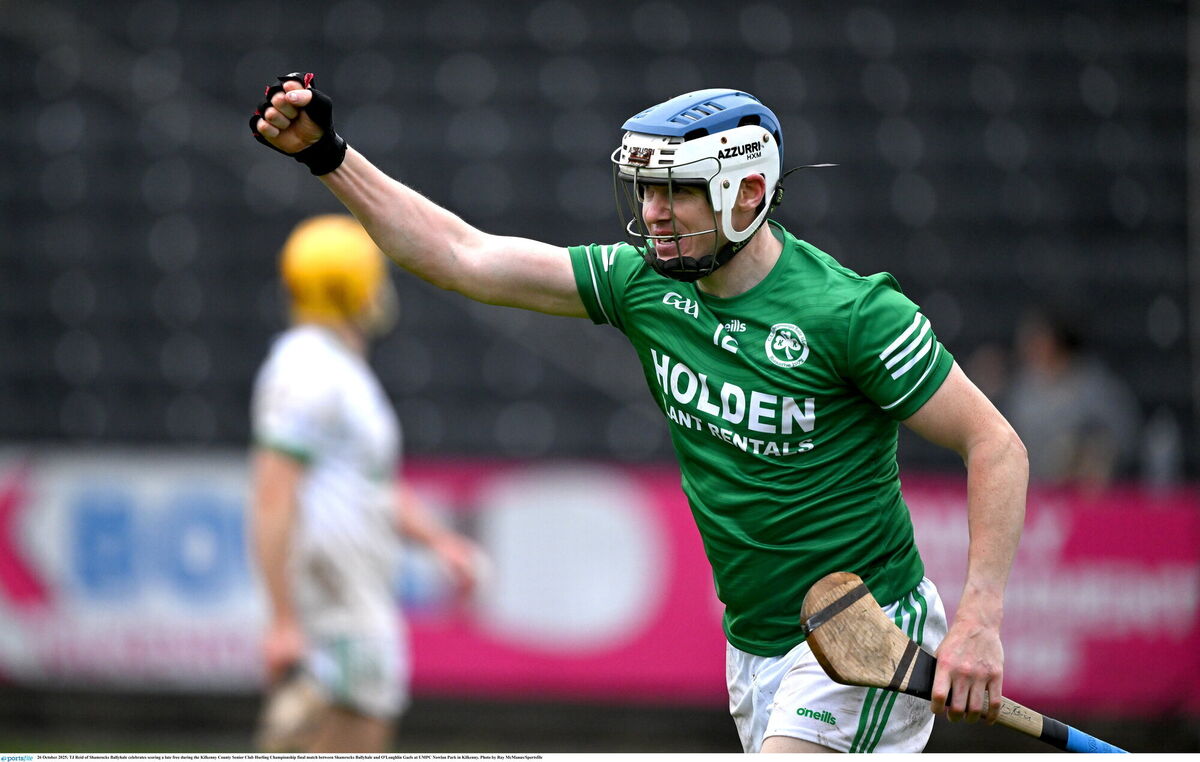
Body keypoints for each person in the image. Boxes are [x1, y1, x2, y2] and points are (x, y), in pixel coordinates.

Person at [249, 73, 1028, 753]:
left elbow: (994, 443)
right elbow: (462, 255)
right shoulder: (643, 285)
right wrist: (330, 156)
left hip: (864, 632)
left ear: (747, 193)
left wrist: (979, 622)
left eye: (676, 191)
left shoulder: (852, 314)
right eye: (645, 190)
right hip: (754, 646)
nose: (653, 212)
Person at [249, 213, 482, 753]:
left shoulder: (336, 368)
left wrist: (438, 542)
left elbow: (372, 485)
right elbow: (272, 494)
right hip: (336, 593)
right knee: (350, 730)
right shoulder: (307, 371)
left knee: (362, 723)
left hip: (353, 589)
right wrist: (282, 620)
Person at [1003, 308, 1141, 491]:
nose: (1030, 348)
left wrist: (1087, 453)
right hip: (1034, 488)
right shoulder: (1021, 388)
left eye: (1038, 340)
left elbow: (1122, 434)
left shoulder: (1092, 385)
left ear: (1057, 342)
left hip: (1084, 490)